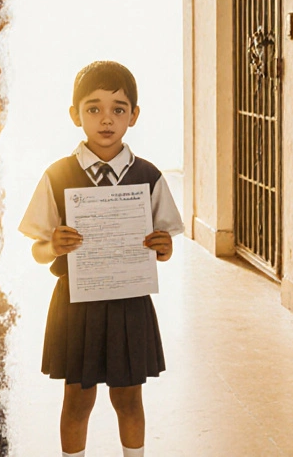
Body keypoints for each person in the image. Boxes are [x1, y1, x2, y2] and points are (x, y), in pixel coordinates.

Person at [19, 60, 184, 457]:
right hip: (76, 306)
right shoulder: (56, 176)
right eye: (93, 108)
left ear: (134, 116)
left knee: (128, 400)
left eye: (118, 109)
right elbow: (37, 251)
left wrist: (164, 247)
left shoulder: (149, 176)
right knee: (77, 402)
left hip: (130, 304)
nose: (106, 119)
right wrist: (52, 245)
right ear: (75, 115)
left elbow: (165, 247)